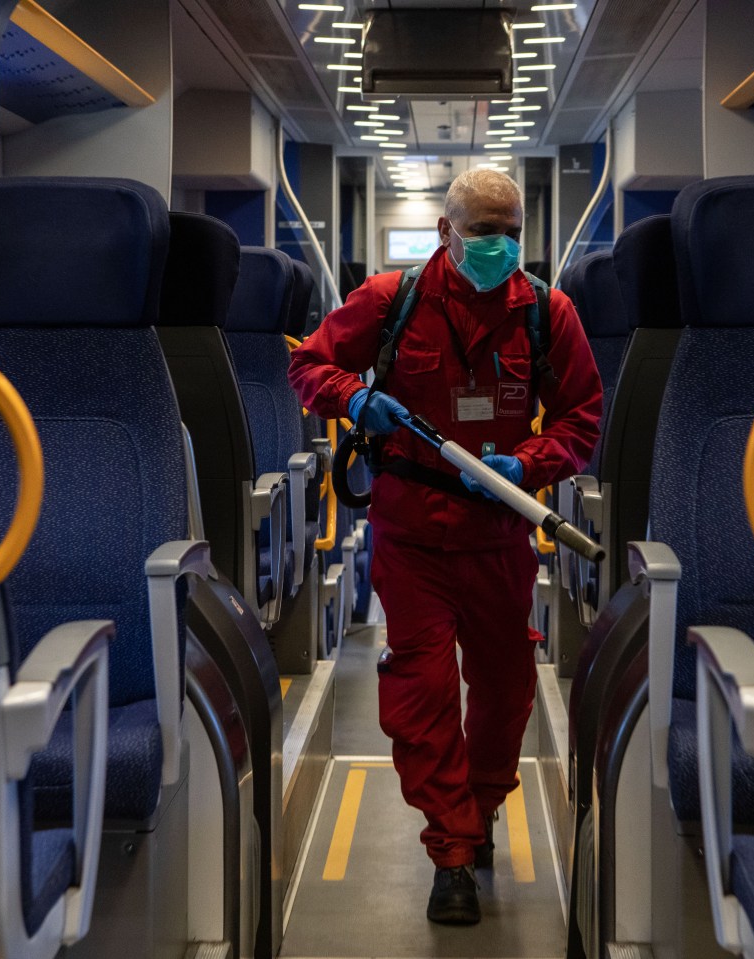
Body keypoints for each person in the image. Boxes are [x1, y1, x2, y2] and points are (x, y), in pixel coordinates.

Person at [288, 169, 603, 924]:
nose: (497, 247)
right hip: (413, 535)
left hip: (497, 532)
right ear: (445, 232)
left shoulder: (546, 314)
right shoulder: (393, 302)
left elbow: (583, 417)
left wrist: (526, 464)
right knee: (422, 695)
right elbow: (309, 365)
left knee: (504, 694)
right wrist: (357, 396)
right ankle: (452, 851)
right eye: (482, 232)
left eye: (511, 232)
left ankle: (481, 807)